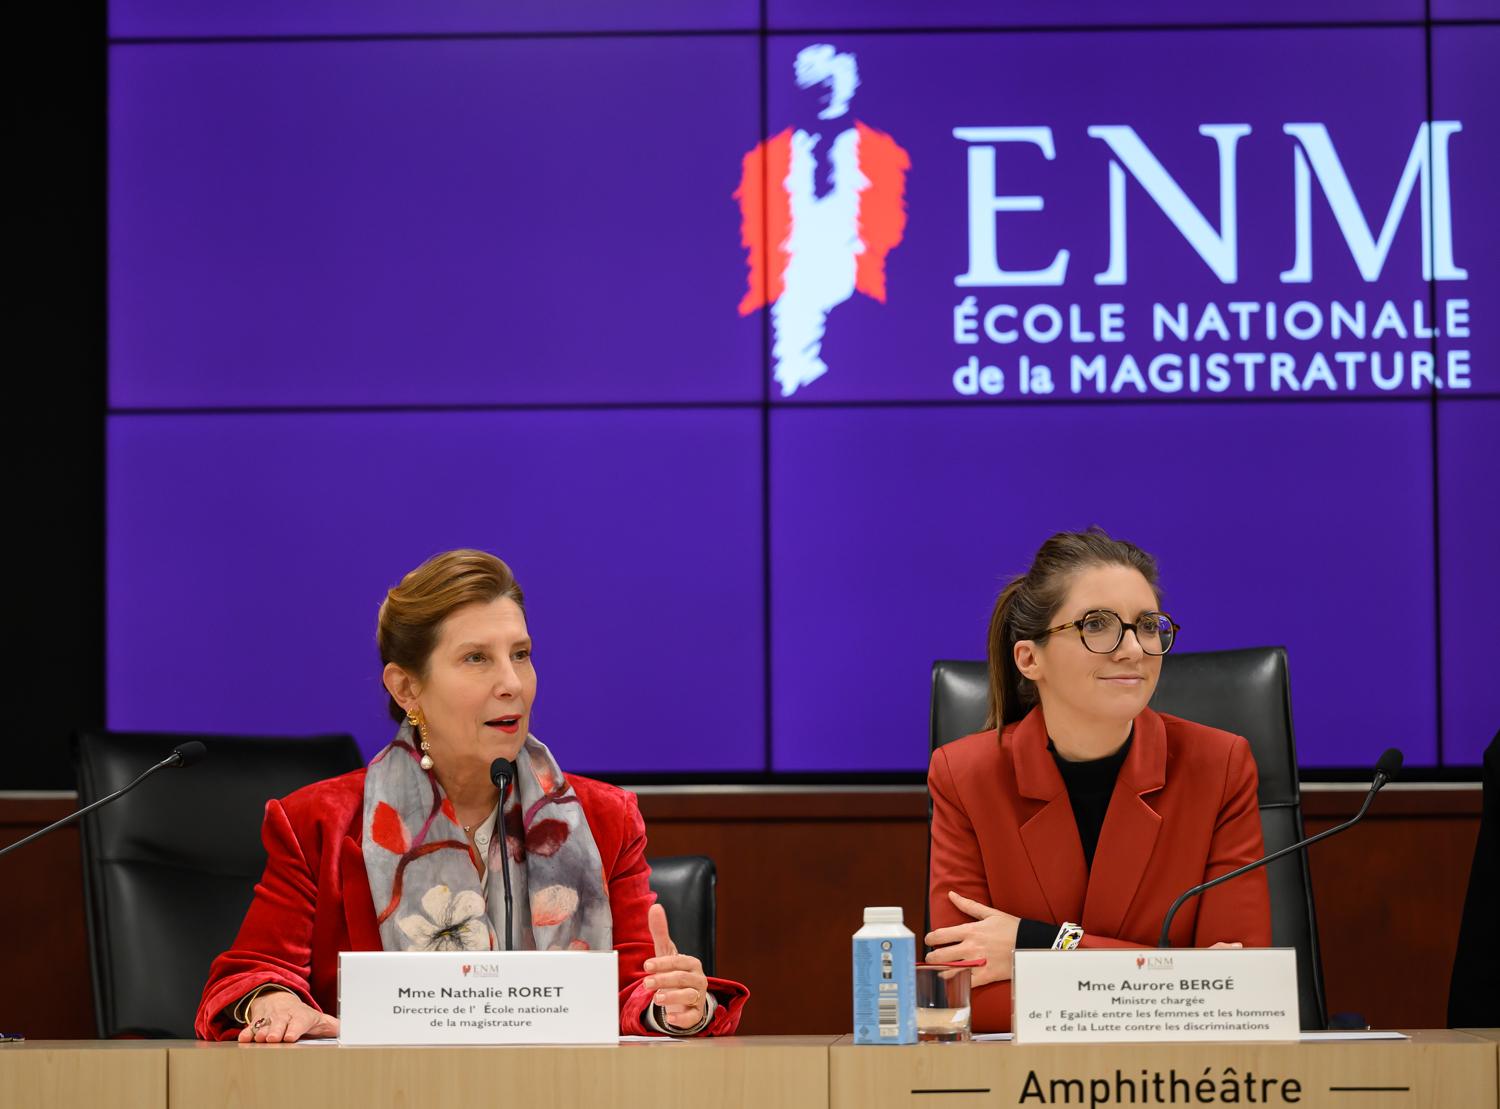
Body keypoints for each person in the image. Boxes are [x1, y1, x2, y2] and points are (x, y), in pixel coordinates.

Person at [196, 550, 749, 1041]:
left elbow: (634, 991)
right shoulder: (319, 823)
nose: (512, 682)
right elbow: (250, 975)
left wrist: (674, 1005)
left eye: (522, 654)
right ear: (406, 687)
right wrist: (272, 1001)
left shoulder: (604, 818)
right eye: (476, 658)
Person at [924, 528, 1271, 1032]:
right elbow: (965, 998)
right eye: (1098, 625)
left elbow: (1240, 991)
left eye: (1148, 626)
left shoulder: (1219, 766)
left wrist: (1039, 942)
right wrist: (1178, 981)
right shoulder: (965, 775)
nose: (1134, 649)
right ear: (1030, 658)